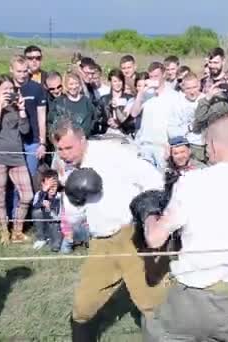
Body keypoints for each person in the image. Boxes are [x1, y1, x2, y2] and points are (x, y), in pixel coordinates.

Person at [142, 115, 228, 341]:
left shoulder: (192, 182)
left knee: (158, 330)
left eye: (207, 145)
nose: (206, 152)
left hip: (187, 304)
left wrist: (149, 213)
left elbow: (155, 239)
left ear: (215, 145)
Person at [50, 118, 168, 340]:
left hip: (131, 236)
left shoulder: (112, 153)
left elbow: (152, 178)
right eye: (60, 149)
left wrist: (149, 215)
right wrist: (74, 197)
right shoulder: (67, 171)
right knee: (83, 306)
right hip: (101, 244)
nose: (65, 154)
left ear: (82, 139)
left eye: (69, 147)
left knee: (152, 304)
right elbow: (74, 220)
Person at [0, 75, 33, 245]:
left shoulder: (16, 104)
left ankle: (17, 231)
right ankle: (4, 231)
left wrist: (21, 110)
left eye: (11, 89)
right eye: (5, 89)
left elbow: (25, 130)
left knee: (27, 195)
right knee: (0, 193)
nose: (9, 92)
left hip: (17, 155)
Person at [131, 62, 180, 170]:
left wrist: (172, 146)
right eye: (151, 77)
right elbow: (134, 113)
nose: (153, 79)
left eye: (156, 76)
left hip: (162, 147)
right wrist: (141, 92)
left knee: (163, 180)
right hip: (144, 145)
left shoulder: (174, 96)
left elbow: (177, 123)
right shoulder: (146, 94)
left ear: (163, 75)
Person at [9, 55, 48, 184]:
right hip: (13, 141)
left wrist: (42, 143)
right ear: (11, 70)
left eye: (25, 71)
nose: (22, 75)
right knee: (14, 181)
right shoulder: (7, 88)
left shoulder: (37, 88)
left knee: (29, 179)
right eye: (19, 71)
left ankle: (28, 204)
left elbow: (41, 117)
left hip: (32, 141)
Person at [167, 72, 205, 163]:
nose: (192, 92)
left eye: (194, 87)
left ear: (199, 85)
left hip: (204, 146)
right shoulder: (178, 103)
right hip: (186, 145)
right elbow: (172, 131)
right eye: (188, 88)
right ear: (183, 88)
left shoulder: (205, 100)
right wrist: (189, 128)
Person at [47, 72, 97, 137]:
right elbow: (51, 122)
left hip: (84, 140)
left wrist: (89, 131)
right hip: (65, 141)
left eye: (76, 83)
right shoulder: (58, 102)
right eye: (71, 84)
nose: (74, 87)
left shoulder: (86, 101)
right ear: (66, 85)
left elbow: (95, 119)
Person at [31, 169, 63, 251]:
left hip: (56, 225)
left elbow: (59, 218)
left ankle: (53, 239)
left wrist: (50, 210)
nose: (51, 188)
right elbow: (35, 206)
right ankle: (41, 239)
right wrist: (44, 193)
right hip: (44, 225)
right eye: (48, 186)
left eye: (54, 186)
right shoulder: (39, 194)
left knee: (55, 248)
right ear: (43, 184)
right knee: (37, 212)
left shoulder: (60, 196)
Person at [97, 69, 135, 137]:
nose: (117, 84)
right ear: (110, 82)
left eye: (120, 81)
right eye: (115, 81)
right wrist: (107, 121)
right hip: (107, 133)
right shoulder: (104, 99)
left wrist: (120, 123)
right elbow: (97, 117)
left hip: (124, 133)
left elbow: (132, 120)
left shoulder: (129, 98)